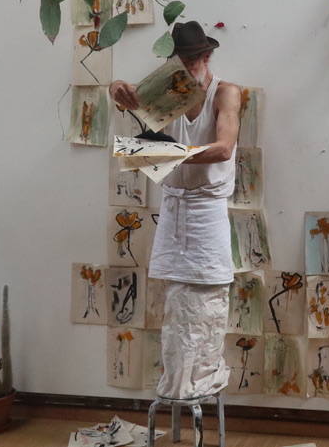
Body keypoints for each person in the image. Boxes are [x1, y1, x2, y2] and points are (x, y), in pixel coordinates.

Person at [109, 21, 241, 400]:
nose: (184, 69)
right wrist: (115, 87)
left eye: (191, 61)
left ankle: (200, 378)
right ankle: (176, 381)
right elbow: (123, 95)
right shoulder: (169, 89)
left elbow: (224, 149)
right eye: (178, 62)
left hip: (207, 209)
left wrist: (170, 154)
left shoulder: (225, 92)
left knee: (206, 296)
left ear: (207, 57)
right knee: (176, 300)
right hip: (173, 207)